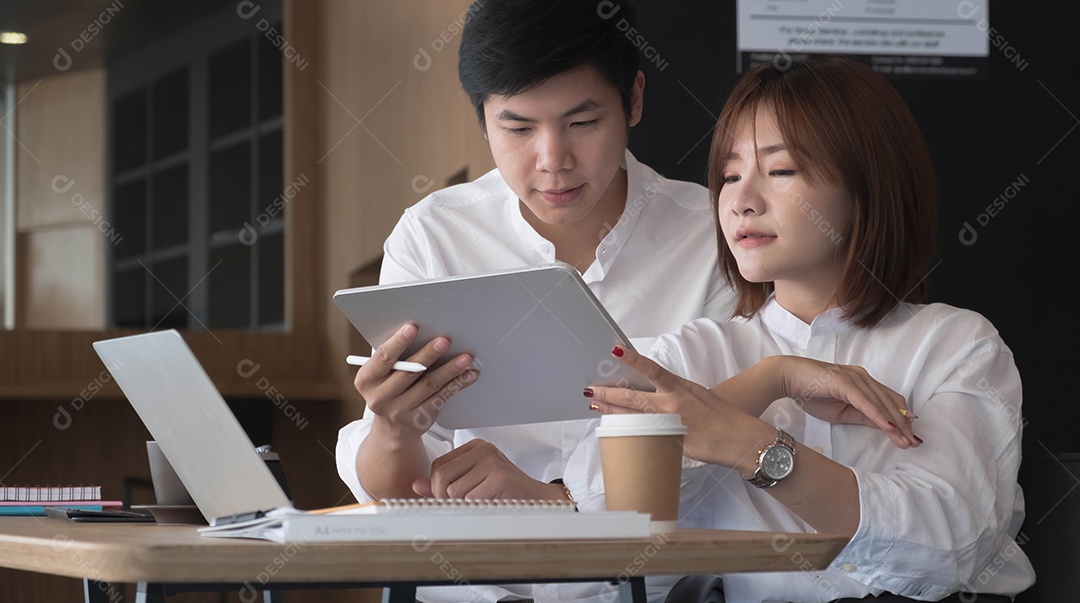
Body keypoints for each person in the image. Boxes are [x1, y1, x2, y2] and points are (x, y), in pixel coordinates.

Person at [585, 56, 1036, 602]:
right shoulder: (694, 353)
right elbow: (596, 513)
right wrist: (774, 379)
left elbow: (952, 548)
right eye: (729, 175)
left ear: (867, 183)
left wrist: (751, 446)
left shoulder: (956, 345)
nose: (741, 200)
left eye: (780, 171)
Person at [335, 1, 737, 601]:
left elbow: (721, 449)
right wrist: (394, 431)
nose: (553, 161)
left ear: (633, 98)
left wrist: (556, 499)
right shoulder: (435, 236)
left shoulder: (709, 239)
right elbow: (400, 495)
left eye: (582, 122)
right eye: (519, 129)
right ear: (483, 121)